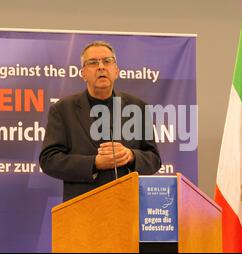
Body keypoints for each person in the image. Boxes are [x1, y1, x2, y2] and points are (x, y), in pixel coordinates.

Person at [39, 41, 162, 202]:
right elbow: (49, 160)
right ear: (83, 73)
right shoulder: (63, 109)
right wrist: (94, 163)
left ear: (116, 71)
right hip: (81, 207)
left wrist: (130, 155)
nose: (101, 67)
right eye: (93, 62)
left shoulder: (138, 107)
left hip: (127, 205)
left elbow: (154, 159)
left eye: (107, 61)